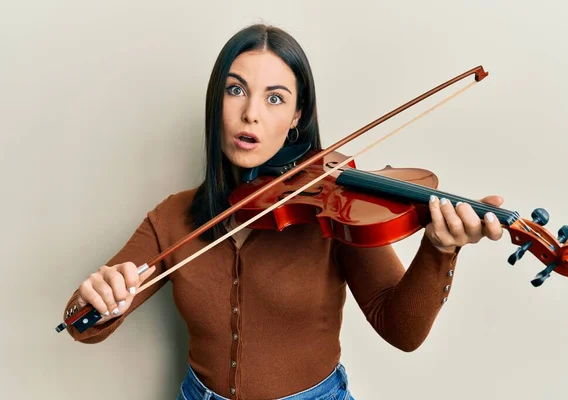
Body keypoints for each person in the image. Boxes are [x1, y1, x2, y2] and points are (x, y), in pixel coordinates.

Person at [61, 23, 504, 400]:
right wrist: (95, 299)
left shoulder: (334, 209)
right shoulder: (172, 217)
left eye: (275, 98)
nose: (250, 113)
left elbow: (401, 330)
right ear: (217, 101)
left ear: (297, 116)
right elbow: (84, 324)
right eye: (236, 90)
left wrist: (439, 251)